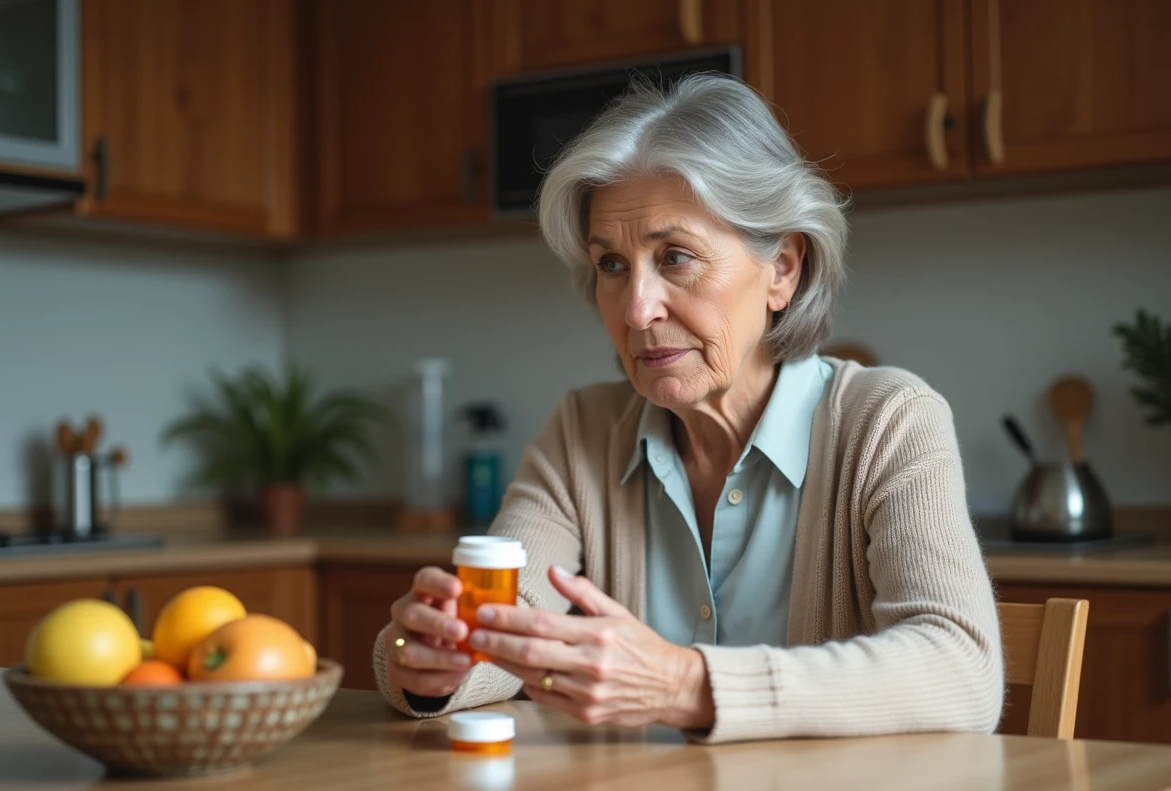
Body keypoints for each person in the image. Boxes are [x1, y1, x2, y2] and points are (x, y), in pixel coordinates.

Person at [372, 73, 1003, 743]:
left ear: (783, 269)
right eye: (612, 265)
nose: (636, 310)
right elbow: (504, 622)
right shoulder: (582, 433)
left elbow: (962, 672)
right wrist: (432, 659)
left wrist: (683, 684)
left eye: (674, 257)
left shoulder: (890, 422)